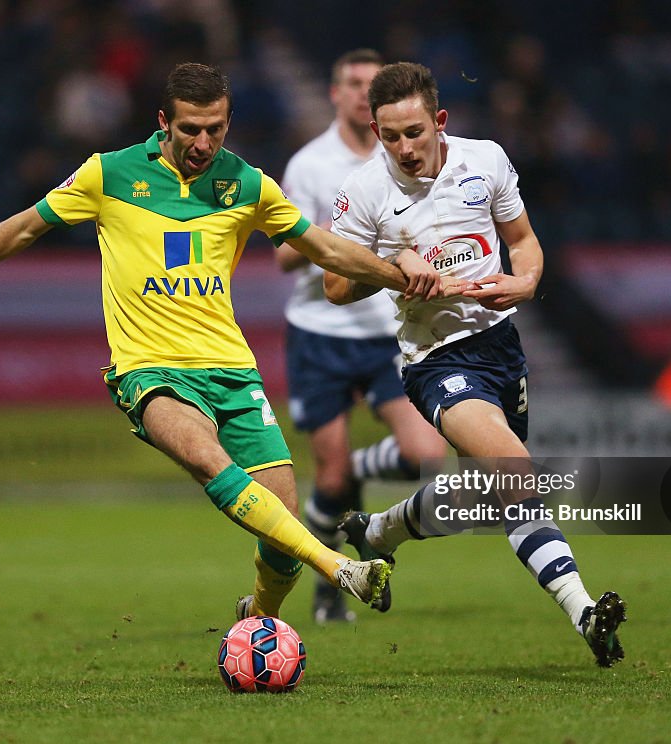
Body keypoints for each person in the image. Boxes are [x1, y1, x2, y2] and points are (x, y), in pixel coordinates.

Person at [0, 62, 459, 622]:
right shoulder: (107, 175)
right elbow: (21, 228)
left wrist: (402, 274)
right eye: (190, 128)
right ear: (164, 121)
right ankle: (339, 569)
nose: (203, 141)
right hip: (150, 369)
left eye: (215, 128)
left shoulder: (248, 184)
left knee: (280, 521)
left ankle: (257, 618)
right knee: (208, 459)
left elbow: (326, 250)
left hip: (232, 370)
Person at [324, 62, 626, 667]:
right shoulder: (363, 191)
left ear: (439, 121)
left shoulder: (485, 159)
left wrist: (526, 282)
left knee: (484, 500)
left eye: (414, 132)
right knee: (516, 473)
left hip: (501, 346)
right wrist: (394, 270)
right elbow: (334, 284)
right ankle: (584, 611)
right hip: (435, 360)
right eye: (390, 136)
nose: (404, 149)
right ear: (376, 132)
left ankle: (376, 533)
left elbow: (523, 240)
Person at [276, 49, 446, 624]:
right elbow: (281, 257)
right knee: (327, 473)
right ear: (334, 92)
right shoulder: (311, 165)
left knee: (426, 453)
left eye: (368, 86)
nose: (358, 93)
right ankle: (331, 584)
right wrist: (339, 236)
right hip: (319, 331)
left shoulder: (403, 156)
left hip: (381, 331)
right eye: (350, 83)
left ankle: (357, 483)